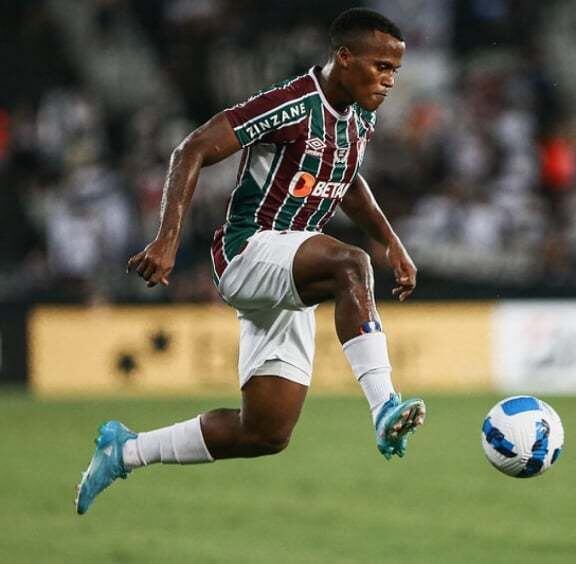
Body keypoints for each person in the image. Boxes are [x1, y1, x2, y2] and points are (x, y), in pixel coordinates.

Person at [75, 8, 426, 515]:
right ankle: (384, 405)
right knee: (350, 265)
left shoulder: (360, 117)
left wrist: (390, 240)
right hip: (249, 250)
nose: (390, 80)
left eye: (395, 70)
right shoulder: (291, 104)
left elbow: (346, 179)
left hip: (288, 271)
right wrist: (167, 239)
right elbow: (192, 148)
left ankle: (124, 451)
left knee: (265, 432)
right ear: (345, 58)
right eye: (382, 67)